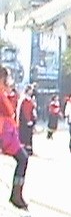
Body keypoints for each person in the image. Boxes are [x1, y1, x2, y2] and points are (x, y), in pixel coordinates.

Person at [0, 67, 30, 209]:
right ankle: (16, 194)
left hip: (7, 133)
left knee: (23, 158)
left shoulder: (3, 93)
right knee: (23, 158)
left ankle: (16, 194)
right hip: (4, 134)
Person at [18, 84, 37, 155]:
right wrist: (27, 120)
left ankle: (28, 150)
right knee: (24, 136)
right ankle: (24, 151)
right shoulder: (24, 99)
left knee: (28, 136)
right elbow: (24, 110)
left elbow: (32, 110)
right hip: (24, 121)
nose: (32, 91)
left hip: (29, 121)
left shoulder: (30, 99)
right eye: (31, 90)